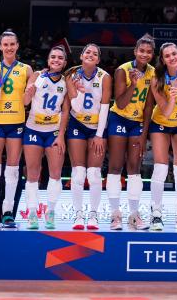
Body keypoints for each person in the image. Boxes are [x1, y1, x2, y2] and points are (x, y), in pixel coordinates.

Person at [0, 31, 34, 228]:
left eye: (12, 44)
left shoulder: (27, 69)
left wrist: (29, 92)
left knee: (12, 169)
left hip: (17, 122)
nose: (9, 47)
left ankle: (8, 211)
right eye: (6, 44)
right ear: (0, 46)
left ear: (17, 45)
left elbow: (27, 100)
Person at [107, 34, 155, 230]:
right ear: (135, 51)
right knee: (116, 166)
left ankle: (134, 216)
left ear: (152, 54)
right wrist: (133, 85)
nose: (144, 54)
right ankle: (115, 215)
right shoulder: (122, 71)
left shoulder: (153, 73)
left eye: (149, 52)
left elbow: (149, 106)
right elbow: (120, 102)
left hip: (137, 122)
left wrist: (144, 134)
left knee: (134, 167)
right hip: (119, 118)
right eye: (141, 51)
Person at [148, 43, 177, 231]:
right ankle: (156, 213)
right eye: (167, 56)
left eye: (174, 54)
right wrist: (173, 98)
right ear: (163, 60)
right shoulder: (157, 79)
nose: (172, 58)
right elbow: (166, 112)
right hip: (161, 123)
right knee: (160, 168)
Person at [65, 44, 111, 230]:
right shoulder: (71, 75)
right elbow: (75, 107)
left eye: (95, 53)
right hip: (77, 122)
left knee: (93, 173)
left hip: (97, 126)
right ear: (81, 56)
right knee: (78, 173)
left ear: (98, 60)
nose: (91, 55)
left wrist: (99, 135)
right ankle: (78, 215)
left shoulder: (105, 77)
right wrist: (79, 93)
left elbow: (105, 106)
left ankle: (93, 214)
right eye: (88, 52)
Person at [23, 46, 69, 230]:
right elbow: (25, 102)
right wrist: (29, 91)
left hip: (54, 131)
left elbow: (66, 111)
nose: (56, 60)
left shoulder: (66, 82)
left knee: (55, 174)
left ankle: (51, 212)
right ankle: (32, 213)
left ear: (65, 63)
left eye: (60, 58)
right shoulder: (36, 75)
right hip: (33, 129)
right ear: (48, 60)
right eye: (53, 57)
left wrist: (62, 135)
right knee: (33, 174)